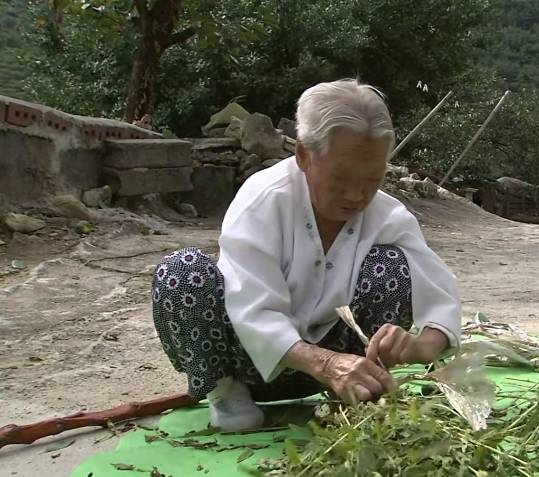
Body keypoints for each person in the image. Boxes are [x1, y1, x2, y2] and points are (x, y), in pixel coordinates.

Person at [150, 79, 461, 431]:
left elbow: (438, 292)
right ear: (303, 156)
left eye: (372, 179)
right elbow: (253, 309)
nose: (356, 195)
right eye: (340, 178)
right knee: (181, 272)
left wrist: (420, 348)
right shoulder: (264, 200)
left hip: (343, 367)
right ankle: (225, 393)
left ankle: (359, 387)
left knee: (393, 267)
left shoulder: (386, 215)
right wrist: (327, 364)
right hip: (246, 361)